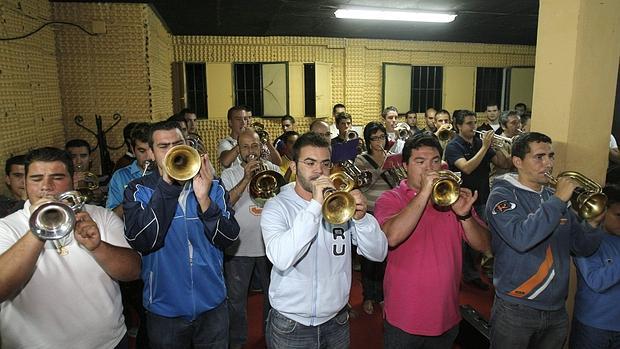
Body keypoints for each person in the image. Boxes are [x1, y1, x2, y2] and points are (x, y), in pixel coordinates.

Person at [0, 147, 141, 348]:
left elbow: (134, 271)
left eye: (57, 177)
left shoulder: (101, 216)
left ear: (72, 179)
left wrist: (98, 247)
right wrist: (40, 228)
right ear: (25, 183)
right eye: (36, 178)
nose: (46, 186)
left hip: (109, 343)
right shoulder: (6, 227)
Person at [261, 132, 388, 348]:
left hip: (336, 320)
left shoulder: (340, 202)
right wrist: (315, 206)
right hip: (291, 324)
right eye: (310, 163)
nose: (319, 171)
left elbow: (378, 253)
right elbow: (281, 258)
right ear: (293, 166)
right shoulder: (277, 206)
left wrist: (362, 219)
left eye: (325, 164)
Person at [123, 120, 240, 348]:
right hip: (165, 310)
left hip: (213, 304)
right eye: (163, 146)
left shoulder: (213, 186)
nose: (172, 151)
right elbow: (144, 241)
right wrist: (167, 187)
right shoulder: (138, 190)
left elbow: (229, 239)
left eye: (177, 144)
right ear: (152, 153)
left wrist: (204, 200)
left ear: (188, 145)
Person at [485, 132, 605, 348]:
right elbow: (522, 238)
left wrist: (594, 225)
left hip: (556, 309)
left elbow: (582, 247)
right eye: (539, 157)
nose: (548, 164)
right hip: (516, 308)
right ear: (517, 162)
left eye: (551, 156)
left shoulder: (554, 198)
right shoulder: (502, 196)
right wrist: (558, 201)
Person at [374, 134, 490, 348]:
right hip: (404, 317)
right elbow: (391, 237)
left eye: (435, 161)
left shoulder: (451, 197)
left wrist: (464, 216)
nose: (430, 168)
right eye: (420, 162)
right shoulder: (391, 199)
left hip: (446, 314)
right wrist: (425, 191)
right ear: (405, 165)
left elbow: (484, 245)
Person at [221, 129, 280, 349]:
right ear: (238, 150)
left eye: (254, 146)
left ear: (261, 146)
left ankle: (270, 338)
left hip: (270, 246)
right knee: (236, 302)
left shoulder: (273, 169)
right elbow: (224, 204)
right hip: (239, 248)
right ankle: (237, 343)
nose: (250, 151)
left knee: (273, 298)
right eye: (244, 147)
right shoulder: (229, 174)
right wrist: (246, 178)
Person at [445, 110, 510, 290]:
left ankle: (471, 274)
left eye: (474, 122)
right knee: (460, 243)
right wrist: (484, 147)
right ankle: (455, 278)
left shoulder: (480, 142)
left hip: (482, 197)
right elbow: (466, 168)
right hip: (461, 200)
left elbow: (503, 163)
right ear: (458, 125)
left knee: (478, 240)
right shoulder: (453, 146)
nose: (474, 126)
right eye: (469, 123)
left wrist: (499, 146)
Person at [569, 184, 620, 349]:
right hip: (593, 327)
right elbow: (597, 281)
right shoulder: (585, 240)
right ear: (602, 212)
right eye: (618, 215)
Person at [354, 122, 393, 315]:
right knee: (369, 258)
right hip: (368, 212)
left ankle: (383, 295)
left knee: (386, 256)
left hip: (389, 212)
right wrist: (381, 169)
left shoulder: (391, 158)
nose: (379, 141)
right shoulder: (361, 160)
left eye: (382, 137)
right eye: (375, 138)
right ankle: (369, 295)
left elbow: (396, 185)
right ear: (368, 141)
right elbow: (363, 188)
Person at [106, 122, 153, 215]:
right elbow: (110, 218)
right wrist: (131, 198)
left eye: (152, 150)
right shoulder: (119, 176)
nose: (148, 157)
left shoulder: (166, 173)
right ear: (132, 149)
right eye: (142, 151)